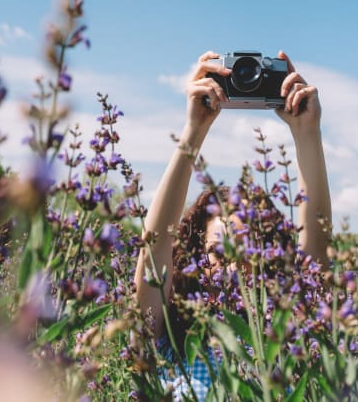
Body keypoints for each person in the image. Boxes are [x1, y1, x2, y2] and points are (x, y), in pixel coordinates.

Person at [134, 50, 331, 399]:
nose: (235, 267)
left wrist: (307, 132)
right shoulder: (168, 347)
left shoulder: (284, 345)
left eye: (248, 251)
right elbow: (155, 245)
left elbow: (315, 261)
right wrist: (194, 129)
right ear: (195, 259)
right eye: (219, 252)